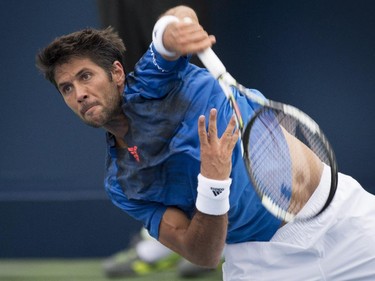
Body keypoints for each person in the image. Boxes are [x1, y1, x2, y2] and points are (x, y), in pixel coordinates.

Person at [36, 5, 375, 280]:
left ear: (117, 73)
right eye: (66, 88)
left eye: (85, 76)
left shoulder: (156, 80)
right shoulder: (124, 184)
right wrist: (213, 183)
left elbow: (174, 22)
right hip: (265, 264)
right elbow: (202, 254)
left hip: (347, 220)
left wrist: (177, 28)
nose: (79, 93)